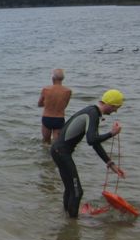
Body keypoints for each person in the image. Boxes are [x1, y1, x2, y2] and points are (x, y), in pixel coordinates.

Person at [50, 90, 126, 218]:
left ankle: (67, 219)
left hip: (58, 151)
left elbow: (94, 142)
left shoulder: (92, 112)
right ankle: (73, 224)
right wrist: (111, 133)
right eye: (115, 108)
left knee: (71, 189)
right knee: (77, 192)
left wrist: (109, 162)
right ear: (110, 105)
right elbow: (91, 140)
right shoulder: (93, 114)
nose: (115, 111)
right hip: (62, 152)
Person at [38, 69, 72, 144]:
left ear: (52, 78)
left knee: (46, 142)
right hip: (59, 119)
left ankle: (45, 155)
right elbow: (65, 105)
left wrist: (48, 103)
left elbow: (39, 104)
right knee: (56, 144)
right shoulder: (68, 91)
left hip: (47, 118)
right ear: (62, 79)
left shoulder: (46, 89)